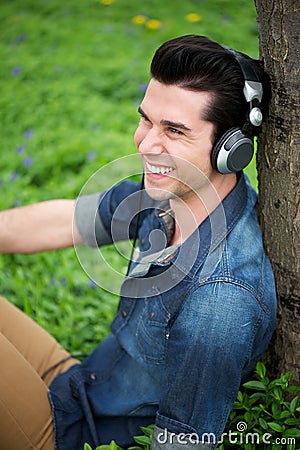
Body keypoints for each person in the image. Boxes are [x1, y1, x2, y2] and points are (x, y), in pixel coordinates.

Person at [0, 35, 276, 450]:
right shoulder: (173, 191)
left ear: (230, 151)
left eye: (175, 131)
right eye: (147, 119)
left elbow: (183, 443)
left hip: (73, 438)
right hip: (83, 386)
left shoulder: (219, 303)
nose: (146, 144)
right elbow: (67, 221)